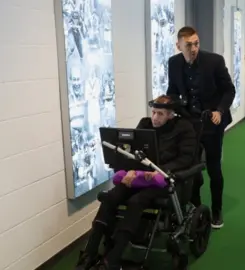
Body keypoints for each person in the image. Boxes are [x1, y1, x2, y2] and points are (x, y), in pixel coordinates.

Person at [76, 95, 197, 270]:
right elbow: (132, 152)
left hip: (164, 180)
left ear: (171, 115)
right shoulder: (145, 124)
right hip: (140, 177)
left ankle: (113, 258)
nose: (154, 118)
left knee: (136, 201)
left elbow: (185, 159)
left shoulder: (185, 129)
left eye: (160, 114)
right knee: (110, 197)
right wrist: (130, 170)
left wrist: (159, 171)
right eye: (153, 112)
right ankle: (89, 253)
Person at [166, 26, 236, 229]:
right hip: (189, 123)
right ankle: (195, 207)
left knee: (214, 168)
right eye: (189, 45)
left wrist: (220, 111)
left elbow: (229, 90)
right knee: (192, 168)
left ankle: (217, 210)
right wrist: (168, 107)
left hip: (212, 121)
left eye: (196, 43)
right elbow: (172, 91)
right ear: (179, 45)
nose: (194, 48)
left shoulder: (214, 61)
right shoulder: (173, 63)